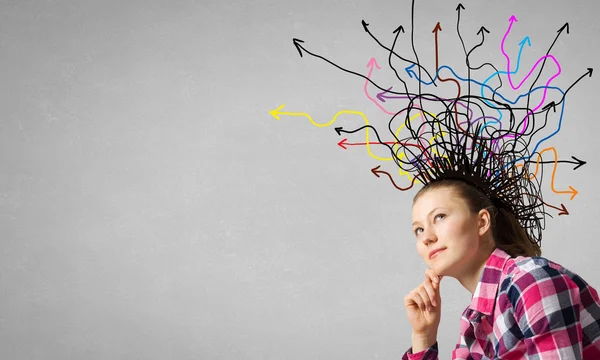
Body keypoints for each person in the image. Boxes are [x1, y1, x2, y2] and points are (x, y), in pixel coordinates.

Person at [401, 178, 600, 359]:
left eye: (439, 217)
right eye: (418, 230)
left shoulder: (530, 280)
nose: (426, 237)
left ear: (482, 222)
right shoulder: (474, 322)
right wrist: (423, 335)